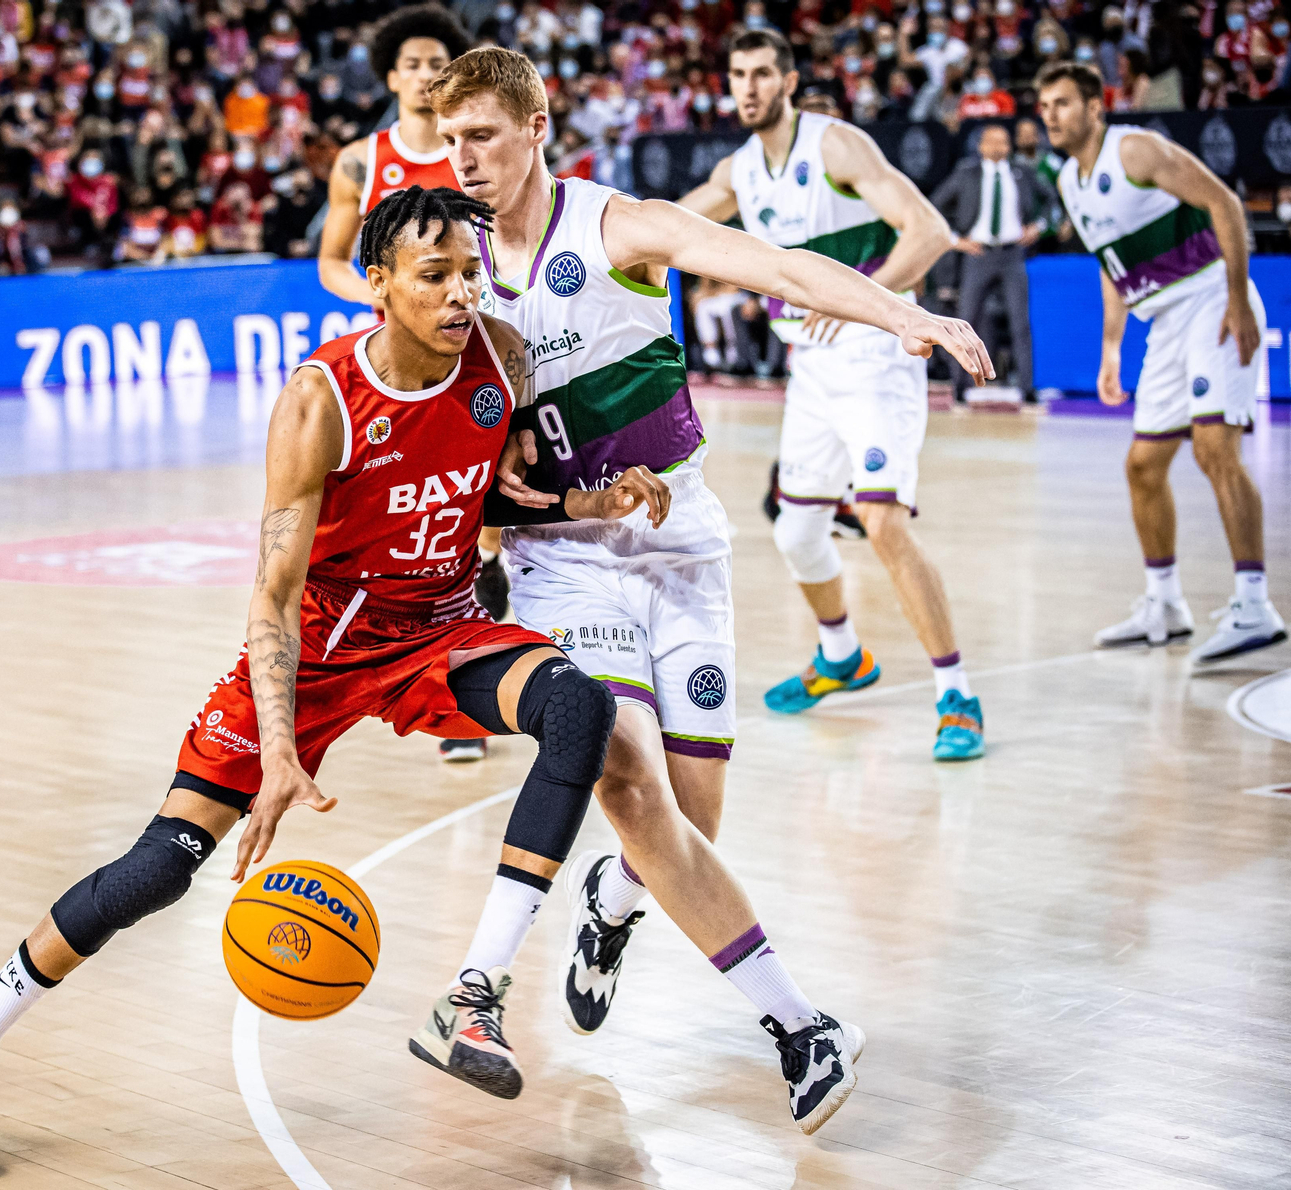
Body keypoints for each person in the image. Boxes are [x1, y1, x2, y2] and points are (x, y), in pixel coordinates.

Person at [0, 186, 669, 1180]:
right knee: (161, 865)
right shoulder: (321, 400)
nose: (463, 293)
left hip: (435, 632)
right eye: (436, 277)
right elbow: (270, 593)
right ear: (378, 285)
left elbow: (501, 495)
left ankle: (472, 990)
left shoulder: (499, 360)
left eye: (472, 272)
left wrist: (592, 497)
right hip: (312, 656)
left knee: (580, 705)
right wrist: (279, 754)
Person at [431, 45, 989, 1134]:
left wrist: (901, 315)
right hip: (565, 556)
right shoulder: (455, 271)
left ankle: (611, 902)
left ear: (537, 127)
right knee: (629, 784)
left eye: (483, 136)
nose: (464, 158)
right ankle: (799, 1025)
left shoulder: (618, 225)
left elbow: (773, 265)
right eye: (450, 140)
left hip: (679, 534)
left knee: (691, 818)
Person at [680, 30, 988, 761]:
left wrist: (864, 300)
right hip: (810, 366)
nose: (748, 87)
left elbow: (931, 229)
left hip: (876, 353)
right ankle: (841, 654)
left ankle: (959, 696)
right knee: (795, 530)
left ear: (788, 80)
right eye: (737, 75)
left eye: (761, 73)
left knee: (881, 521)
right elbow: (658, 221)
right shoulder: (739, 170)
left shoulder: (836, 146)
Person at [318, 4, 511, 763]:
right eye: (412, 63)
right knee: (416, 526)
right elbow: (332, 259)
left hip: (475, 342)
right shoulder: (360, 161)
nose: (426, 74)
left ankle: (491, 575)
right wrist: (376, 294)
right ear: (392, 75)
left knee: (488, 496)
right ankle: (444, 701)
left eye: (438, 63)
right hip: (400, 352)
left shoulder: (473, 156)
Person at [1039, 62, 1282, 662]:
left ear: (1096, 107)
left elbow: (1224, 203)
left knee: (1213, 449)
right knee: (1143, 466)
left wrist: (1236, 299)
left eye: (1063, 103)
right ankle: (1164, 604)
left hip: (1209, 302)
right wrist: (1112, 346)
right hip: (1165, 323)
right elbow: (1111, 265)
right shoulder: (1071, 179)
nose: (1050, 115)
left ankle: (1255, 605)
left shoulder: (1136, 151)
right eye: (1044, 105)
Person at [930, 122, 1055, 401]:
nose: (998, 147)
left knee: (1020, 321)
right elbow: (934, 204)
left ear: (1009, 146)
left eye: (1003, 142)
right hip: (978, 254)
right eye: (992, 141)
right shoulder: (966, 174)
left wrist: (1039, 226)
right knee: (966, 319)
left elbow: (1051, 200)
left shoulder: (1023, 173)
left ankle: (1027, 387)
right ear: (981, 146)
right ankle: (960, 386)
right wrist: (955, 240)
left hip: (1012, 255)